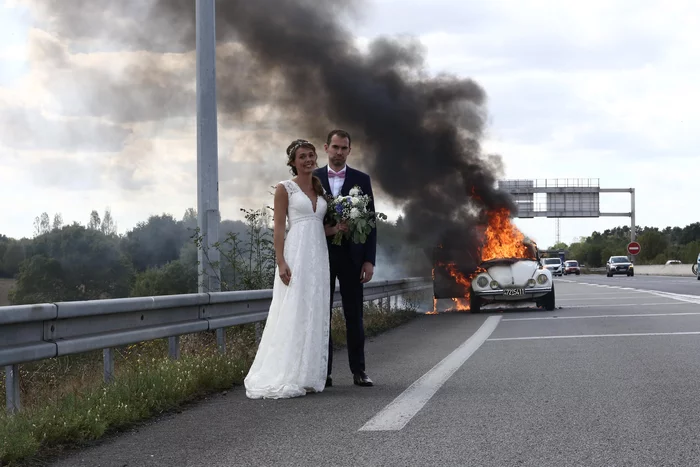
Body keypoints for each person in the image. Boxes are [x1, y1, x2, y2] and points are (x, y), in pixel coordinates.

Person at [244, 139, 347, 399]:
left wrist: (336, 229)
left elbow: (315, 225)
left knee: (314, 309)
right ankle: (286, 372)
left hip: (318, 257)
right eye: (302, 156)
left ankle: (308, 374)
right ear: (293, 162)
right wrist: (281, 261)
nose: (309, 160)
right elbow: (280, 227)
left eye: (311, 155)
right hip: (296, 254)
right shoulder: (284, 188)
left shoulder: (318, 187)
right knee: (293, 308)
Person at [314, 129, 377, 388]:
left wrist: (369, 260)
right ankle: (322, 372)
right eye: (335, 147)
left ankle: (359, 371)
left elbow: (371, 222)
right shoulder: (313, 177)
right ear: (326, 147)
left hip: (353, 258)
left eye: (344, 148)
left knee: (355, 316)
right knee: (320, 315)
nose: (339, 152)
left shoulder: (362, 179)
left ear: (349, 150)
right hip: (321, 255)